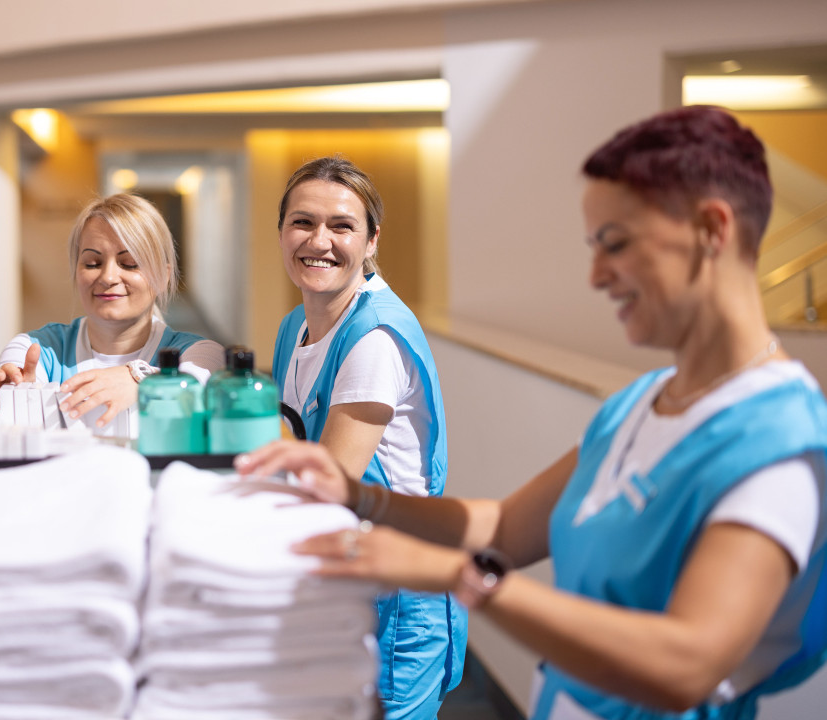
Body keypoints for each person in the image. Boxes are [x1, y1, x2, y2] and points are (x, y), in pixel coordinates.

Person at [238, 107, 827, 720]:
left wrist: (454, 575)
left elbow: (686, 667)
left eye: (616, 244)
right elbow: (502, 530)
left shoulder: (779, 438)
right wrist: (361, 498)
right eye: (594, 247)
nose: (597, 275)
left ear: (711, 230)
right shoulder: (642, 403)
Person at [270, 156, 467, 719]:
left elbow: (327, 485)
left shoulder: (374, 339)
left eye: (342, 226)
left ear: (372, 239)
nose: (320, 242)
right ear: (281, 232)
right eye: (303, 223)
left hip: (396, 591)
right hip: (343, 572)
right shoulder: (296, 325)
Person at [0, 193, 224, 436]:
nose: (108, 277)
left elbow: (199, 382)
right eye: (92, 263)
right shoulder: (34, 350)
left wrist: (137, 378)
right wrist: (13, 396)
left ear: (164, 277)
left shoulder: (197, 353)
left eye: (129, 263)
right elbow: (1, 415)